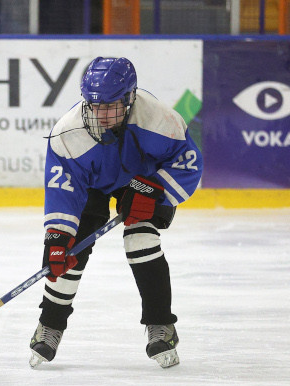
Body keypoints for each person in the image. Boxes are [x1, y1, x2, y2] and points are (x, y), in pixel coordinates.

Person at [29, 57, 203, 369]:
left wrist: (154, 190)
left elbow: (189, 162)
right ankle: (50, 325)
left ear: (129, 99)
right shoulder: (68, 132)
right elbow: (63, 189)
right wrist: (57, 237)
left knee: (140, 239)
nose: (103, 115)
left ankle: (161, 325)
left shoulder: (158, 119)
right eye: (96, 106)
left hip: (144, 181)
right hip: (92, 186)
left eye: (111, 106)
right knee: (69, 250)